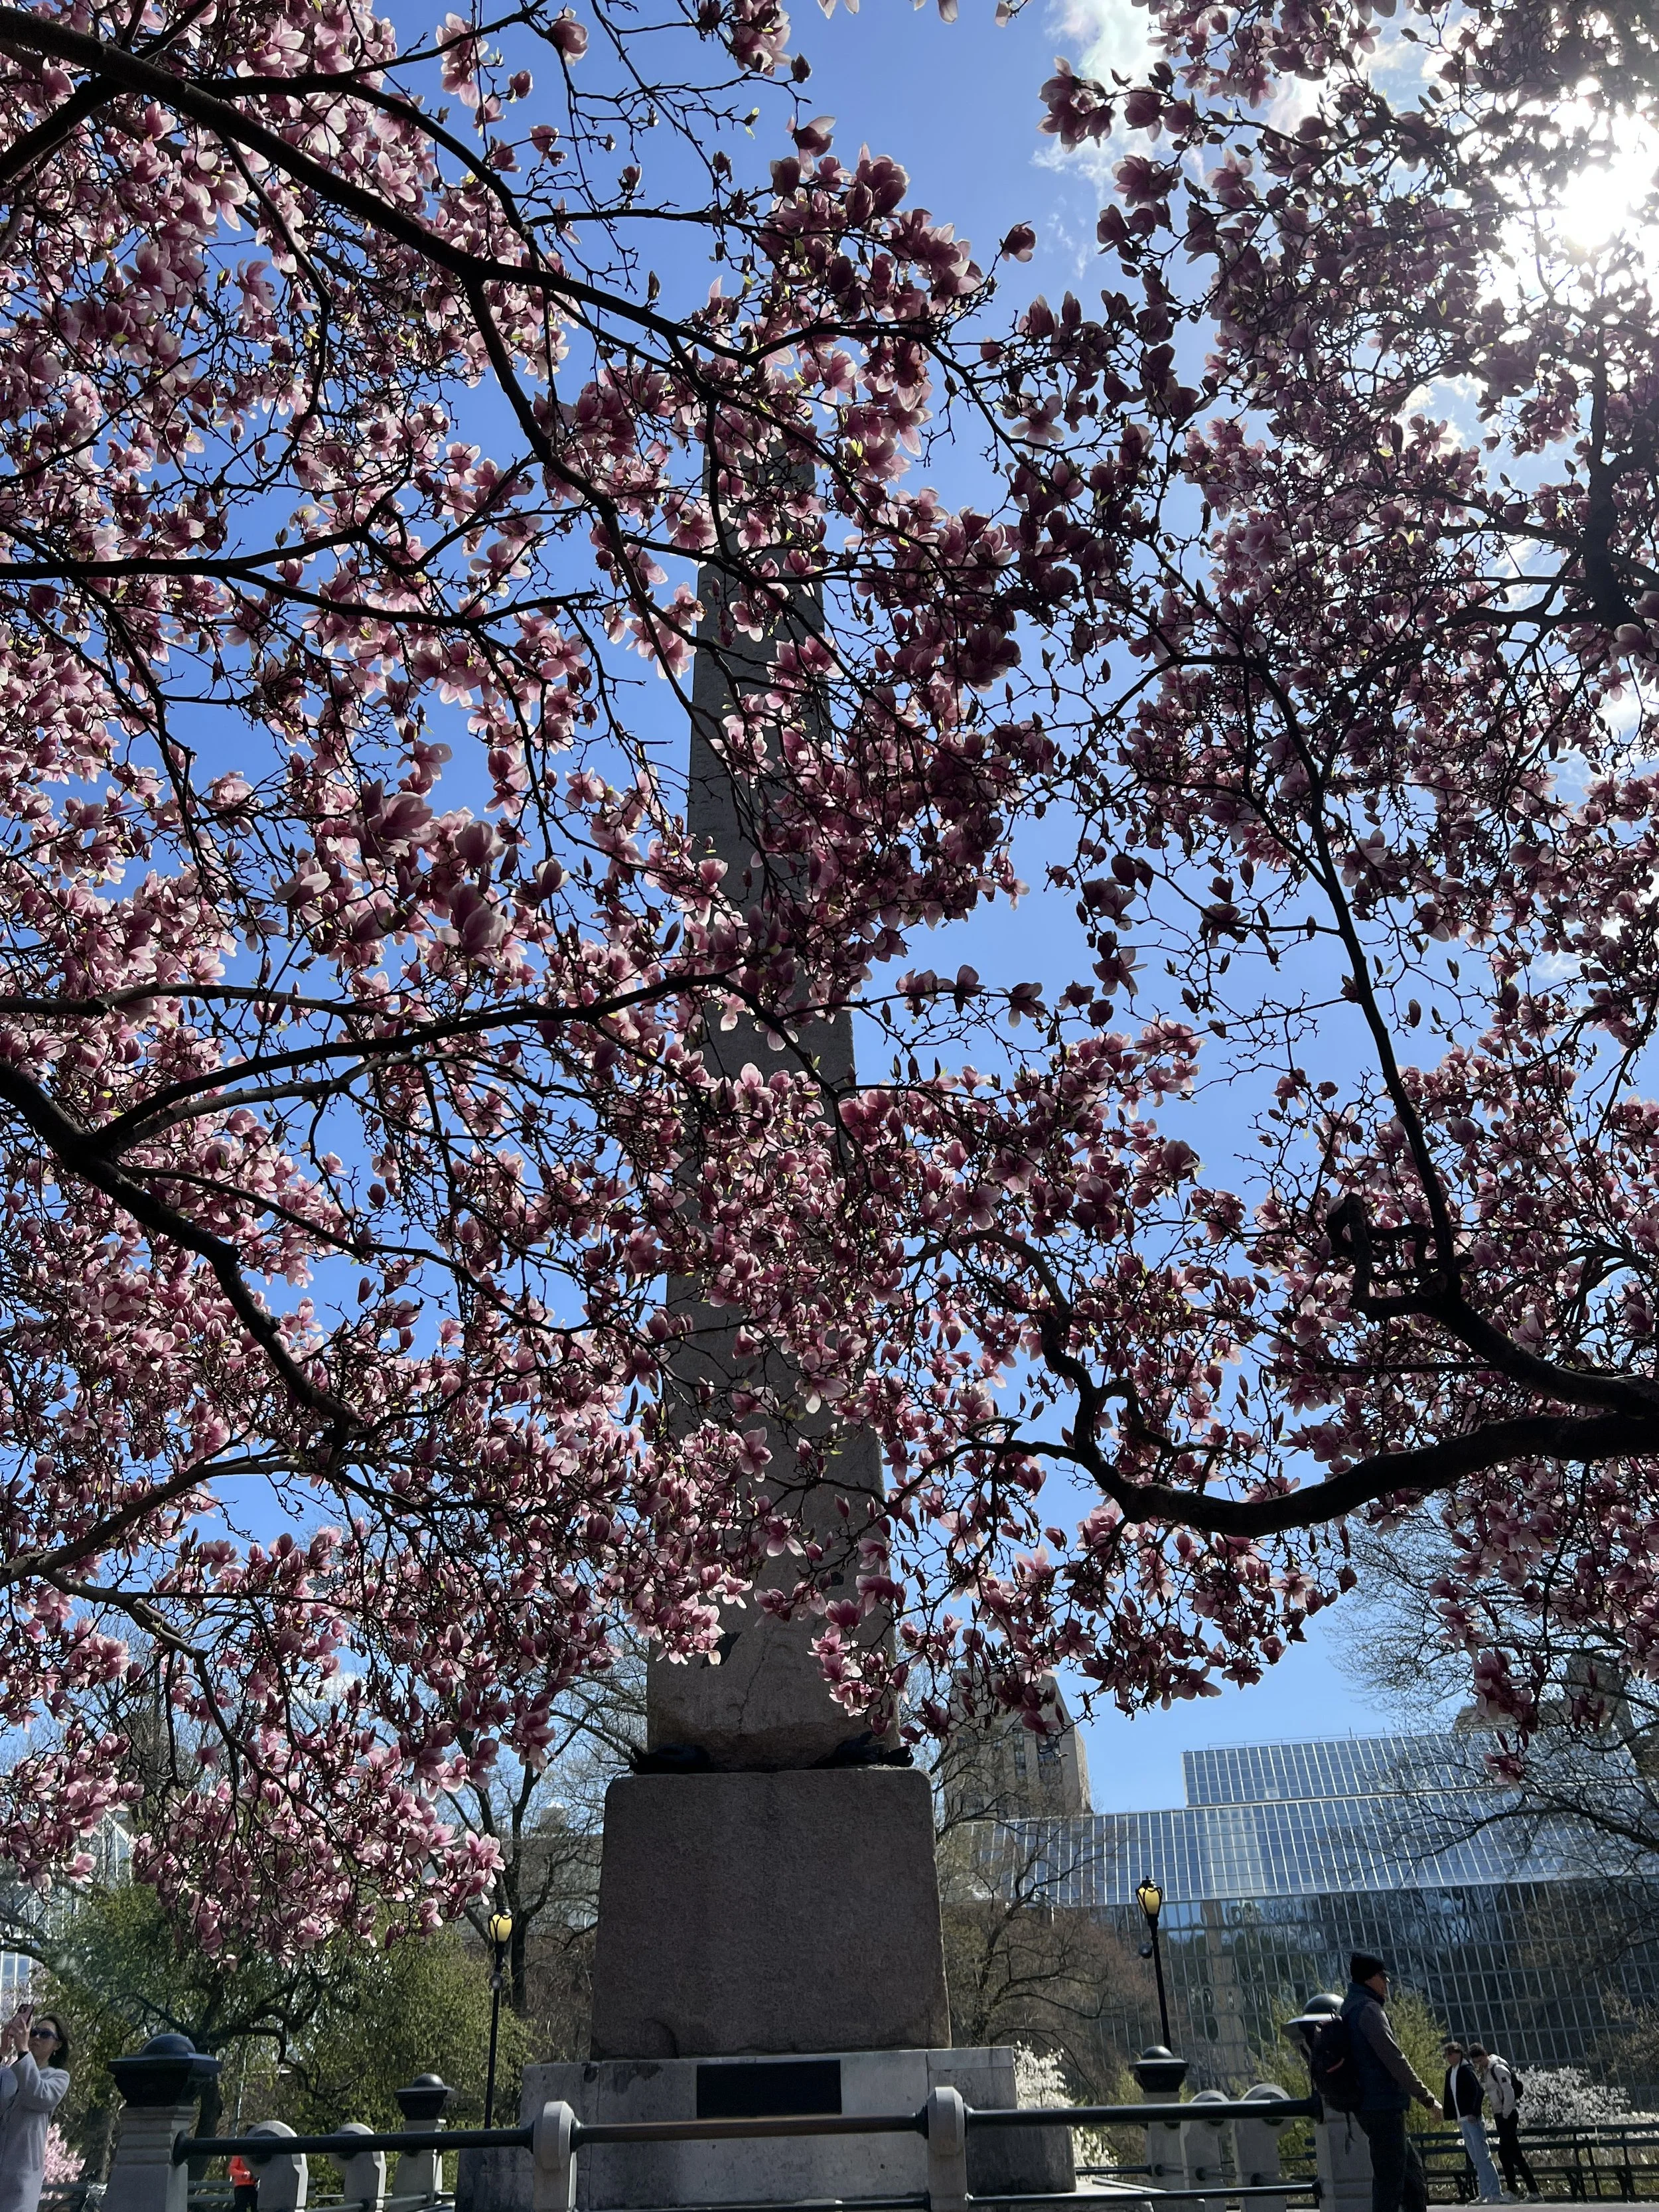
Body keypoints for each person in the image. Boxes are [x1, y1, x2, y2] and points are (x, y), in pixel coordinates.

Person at [1340, 1951, 1442, 2212]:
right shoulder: (1369, 2011)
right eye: (1382, 1977)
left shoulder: (1350, 2007)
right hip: (1383, 2106)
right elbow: (1395, 2059)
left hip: (1370, 2105)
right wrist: (1427, 2098)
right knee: (1390, 2182)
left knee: (1412, 2178)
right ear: (1369, 1979)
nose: (1387, 1983)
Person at [0, 2006, 70, 2212]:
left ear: (57, 2044)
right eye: (34, 2032)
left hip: (21, 2177)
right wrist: (2, 2051)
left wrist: (23, 2051)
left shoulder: (58, 2078)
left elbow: (38, 2095)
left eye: (45, 2034)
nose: (36, 2038)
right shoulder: (8, 2074)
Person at [1442, 2040, 1510, 2204]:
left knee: (1483, 2156)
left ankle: (1495, 2192)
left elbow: (1477, 2091)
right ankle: (1485, 2192)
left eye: (1450, 2055)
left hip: (1472, 2118)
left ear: (1457, 2053)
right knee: (1476, 2158)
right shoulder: (1452, 2072)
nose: (1448, 2058)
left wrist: (1473, 2112)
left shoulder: (1466, 2070)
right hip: (1463, 2119)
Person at [1471, 2046, 1539, 2201]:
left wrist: (1506, 2114)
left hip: (1506, 2115)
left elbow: (1509, 2093)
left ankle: (1521, 2191)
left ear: (1485, 2055)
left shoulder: (1497, 2069)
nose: (1479, 2064)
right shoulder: (1488, 2071)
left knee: (1510, 2154)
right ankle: (1524, 2190)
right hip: (1501, 2115)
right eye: (1476, 2062)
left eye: (1480, 2060)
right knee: (1509, 2154)